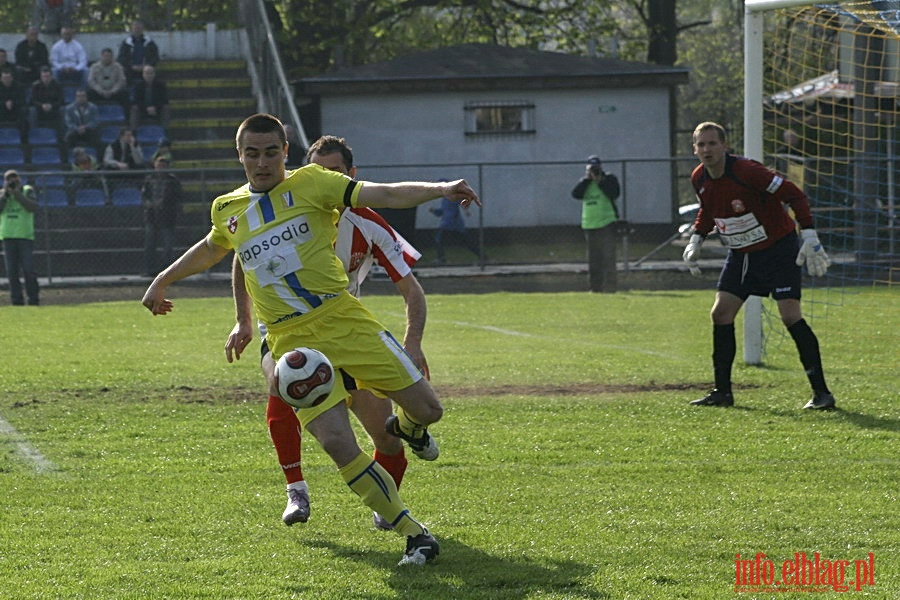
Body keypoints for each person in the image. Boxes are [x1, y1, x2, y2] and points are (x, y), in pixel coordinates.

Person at [142, 113, 480, 566]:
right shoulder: (227, 208)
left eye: (270, 152)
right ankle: (412, 532)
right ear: (239, 156)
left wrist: (439, 189)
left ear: (285, 152)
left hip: (343, 319)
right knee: (338, 442)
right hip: (290, 341)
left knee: (428, 410)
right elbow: (213, 248)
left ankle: (407, 429)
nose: (261, 162)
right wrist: (162, 280)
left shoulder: (314, 182)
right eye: (251, 153)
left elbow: (381, 193)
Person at [225, 135, 429, 530]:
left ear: (350, 176)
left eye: (334, 172)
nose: (325, 178)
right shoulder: (281, 206)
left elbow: (410, 288)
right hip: (287, 328)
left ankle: (387, 509)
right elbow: (239, 255)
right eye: (318, 170)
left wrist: (413, 342)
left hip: (345, 329)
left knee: (386, 435)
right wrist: (244, 319)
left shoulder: (367, 221)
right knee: (283, 383)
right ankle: (296, 489)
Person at [683, 121, 835, 410]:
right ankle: (722, 393)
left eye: (712, 143)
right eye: (701, 144)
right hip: (742, 255)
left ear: (724, 146)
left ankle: (822, 394)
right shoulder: (699, 178)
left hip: (778, 250)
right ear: (694, 149)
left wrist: (810, 233)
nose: (707, 149)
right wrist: (696, 239)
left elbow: (793, 194)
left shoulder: (747, 171)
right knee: (721, 313)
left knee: (790, 316)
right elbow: (709, 208)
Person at [570, 155, 622, 293]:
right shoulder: (585, 183)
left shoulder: (609, 179)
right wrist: (587, 180)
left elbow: (614, 193)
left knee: (608, 257)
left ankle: (611, 287)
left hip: (607, 223)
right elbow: (575, 194)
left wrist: (600, 181)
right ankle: (595, 288)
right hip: (590, 225)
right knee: (594, 260)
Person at [0, 169, 40, 306]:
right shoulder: (2, 194)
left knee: (28, 269)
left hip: (24, 236)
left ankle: (33, 299)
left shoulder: (27, 191)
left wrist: (17, 194)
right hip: (8, 236)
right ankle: (16, 301)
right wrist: (6, 195)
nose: (12, 182)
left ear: (19, 179)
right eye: (9, 179)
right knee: (12, 272)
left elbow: (32, 207)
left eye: (14, 179)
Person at [140, 153, 181, 277]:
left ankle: (167, 271)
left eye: (163, 166)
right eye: (158, 165)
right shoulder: (149, 179)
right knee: (150, 244)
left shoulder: (172, 181)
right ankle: (150, 269)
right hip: (151, 215)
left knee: (168, 245)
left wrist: (163, 203)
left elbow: (177, 197)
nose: (160, 168)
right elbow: (144, 195)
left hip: (167, 216)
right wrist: (150, 204)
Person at [428, 183, 482, 265]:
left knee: (465, 242)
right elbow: (442, 212)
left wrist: (466, 210)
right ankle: (441, 258)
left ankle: (483, 257)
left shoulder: (452, 196)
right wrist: (433, 211)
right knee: (439, 239)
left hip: (453, 224)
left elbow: (461, 202)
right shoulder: (444, 199)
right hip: (448, 224)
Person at [87, 47, 130, 114]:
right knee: (88, 94)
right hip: (99, 92)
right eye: (105, 56)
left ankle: (127, 120)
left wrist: (113, 91)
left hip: (114, 92)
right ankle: (91, 117)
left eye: (109, 56)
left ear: (112, 57)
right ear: (101, 56)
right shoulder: (94, 67)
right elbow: (91, 81)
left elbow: (122, 81)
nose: (107, 58)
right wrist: (100, 90)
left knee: (125, 94)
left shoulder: (118, 67)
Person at [117, 20, 160, 85]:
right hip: (130, 72)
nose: (137, 30)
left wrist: (146, 66)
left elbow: (155, 57)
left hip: (146, 72)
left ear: (142, 29)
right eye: (135, 28)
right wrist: (132, 66)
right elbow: (121, 58)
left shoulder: (150, 42)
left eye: (139, 28)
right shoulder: (126, 43)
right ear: (132, 29)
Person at [129, 65, 169, 132]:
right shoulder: (138, 86)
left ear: (154, 74)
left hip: (157, 109)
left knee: (166, 108)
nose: (149, 75)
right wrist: (146, 108)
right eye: (147, 73)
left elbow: (164, 100)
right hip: (142, 110)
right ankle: (134, 132)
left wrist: (155, 107)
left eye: (151, 73)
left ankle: (165, 131)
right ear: (143, 74)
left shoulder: (161, 85)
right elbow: (136, 100)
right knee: (134, 109)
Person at [29, 65, 64, 134]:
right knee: (32, 111)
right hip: (40, 108)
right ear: (40, 77)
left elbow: (61, 100)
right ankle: (35, 133)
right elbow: (33, 100)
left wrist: (52, 106)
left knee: (63, 110)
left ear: (51, 76)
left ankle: (61, 135)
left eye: (47, 76)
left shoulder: (58, 85)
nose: (46, 78)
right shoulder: (35, 85)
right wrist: (42, 105)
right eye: (43, 76)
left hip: (54, 108)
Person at [63, 88, 100, 152]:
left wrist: (85, 127)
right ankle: (68, 158)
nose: (81, 98)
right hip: (74, 130)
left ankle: (95, 158)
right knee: (68, 138)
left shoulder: (93, 107)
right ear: (75, 97)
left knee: (96, 138)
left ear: (86, 97)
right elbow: (68, 122)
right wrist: (77, 128)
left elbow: (95, 121)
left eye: (83, 96)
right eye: (79, 96)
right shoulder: (69, 108)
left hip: (89, 130)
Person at [0, 66, 28, 141]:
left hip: (15, 110)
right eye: (4, 78)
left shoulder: (19, 86)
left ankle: (23, 141)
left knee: (24, 114)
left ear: (12, 77)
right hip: (1, 111)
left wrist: (12, 103)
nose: (6, 80)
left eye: (8, 78)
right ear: (1, 78)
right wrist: (4, 103)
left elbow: (23, 101)